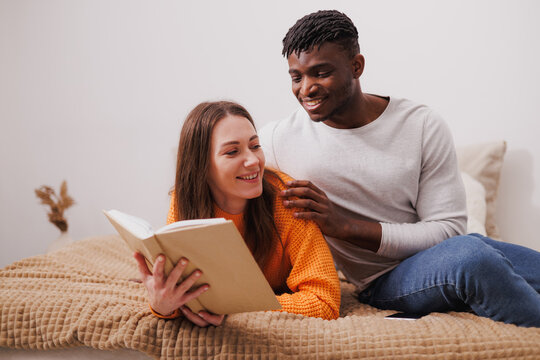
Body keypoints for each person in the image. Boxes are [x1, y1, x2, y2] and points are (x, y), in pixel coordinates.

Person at [259, 10, 540, 327]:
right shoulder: (278, 139)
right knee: (472, 259)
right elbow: (229, 184)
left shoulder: (420, 124)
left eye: (321, 73)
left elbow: (447, 230)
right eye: (296, 77)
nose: (306, 89)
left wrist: (343, 226)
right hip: (382, 279)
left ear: (356, 66)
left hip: (451, 249)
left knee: (484, 254)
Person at [134, 100, 341, 327]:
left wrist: (239, 309)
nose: (253, 161)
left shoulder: (289, 200)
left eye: (255, 146)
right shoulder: (184, 203)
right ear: (201, 165)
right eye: (232, 152)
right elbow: (183, 295)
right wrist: (163, 307)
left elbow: (325, 302)